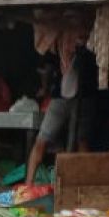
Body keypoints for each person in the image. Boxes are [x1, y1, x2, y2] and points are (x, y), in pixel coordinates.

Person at [25, 49, 97, 184]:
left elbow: (46, 69)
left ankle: (87, 185)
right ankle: (28, 186)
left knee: (80, 142)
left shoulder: (84, 50)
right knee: (42, 141)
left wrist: (45, 88)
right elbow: (47, 69)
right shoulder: (59, 47)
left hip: (80, 99)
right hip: (64, 99)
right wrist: (46, 88)